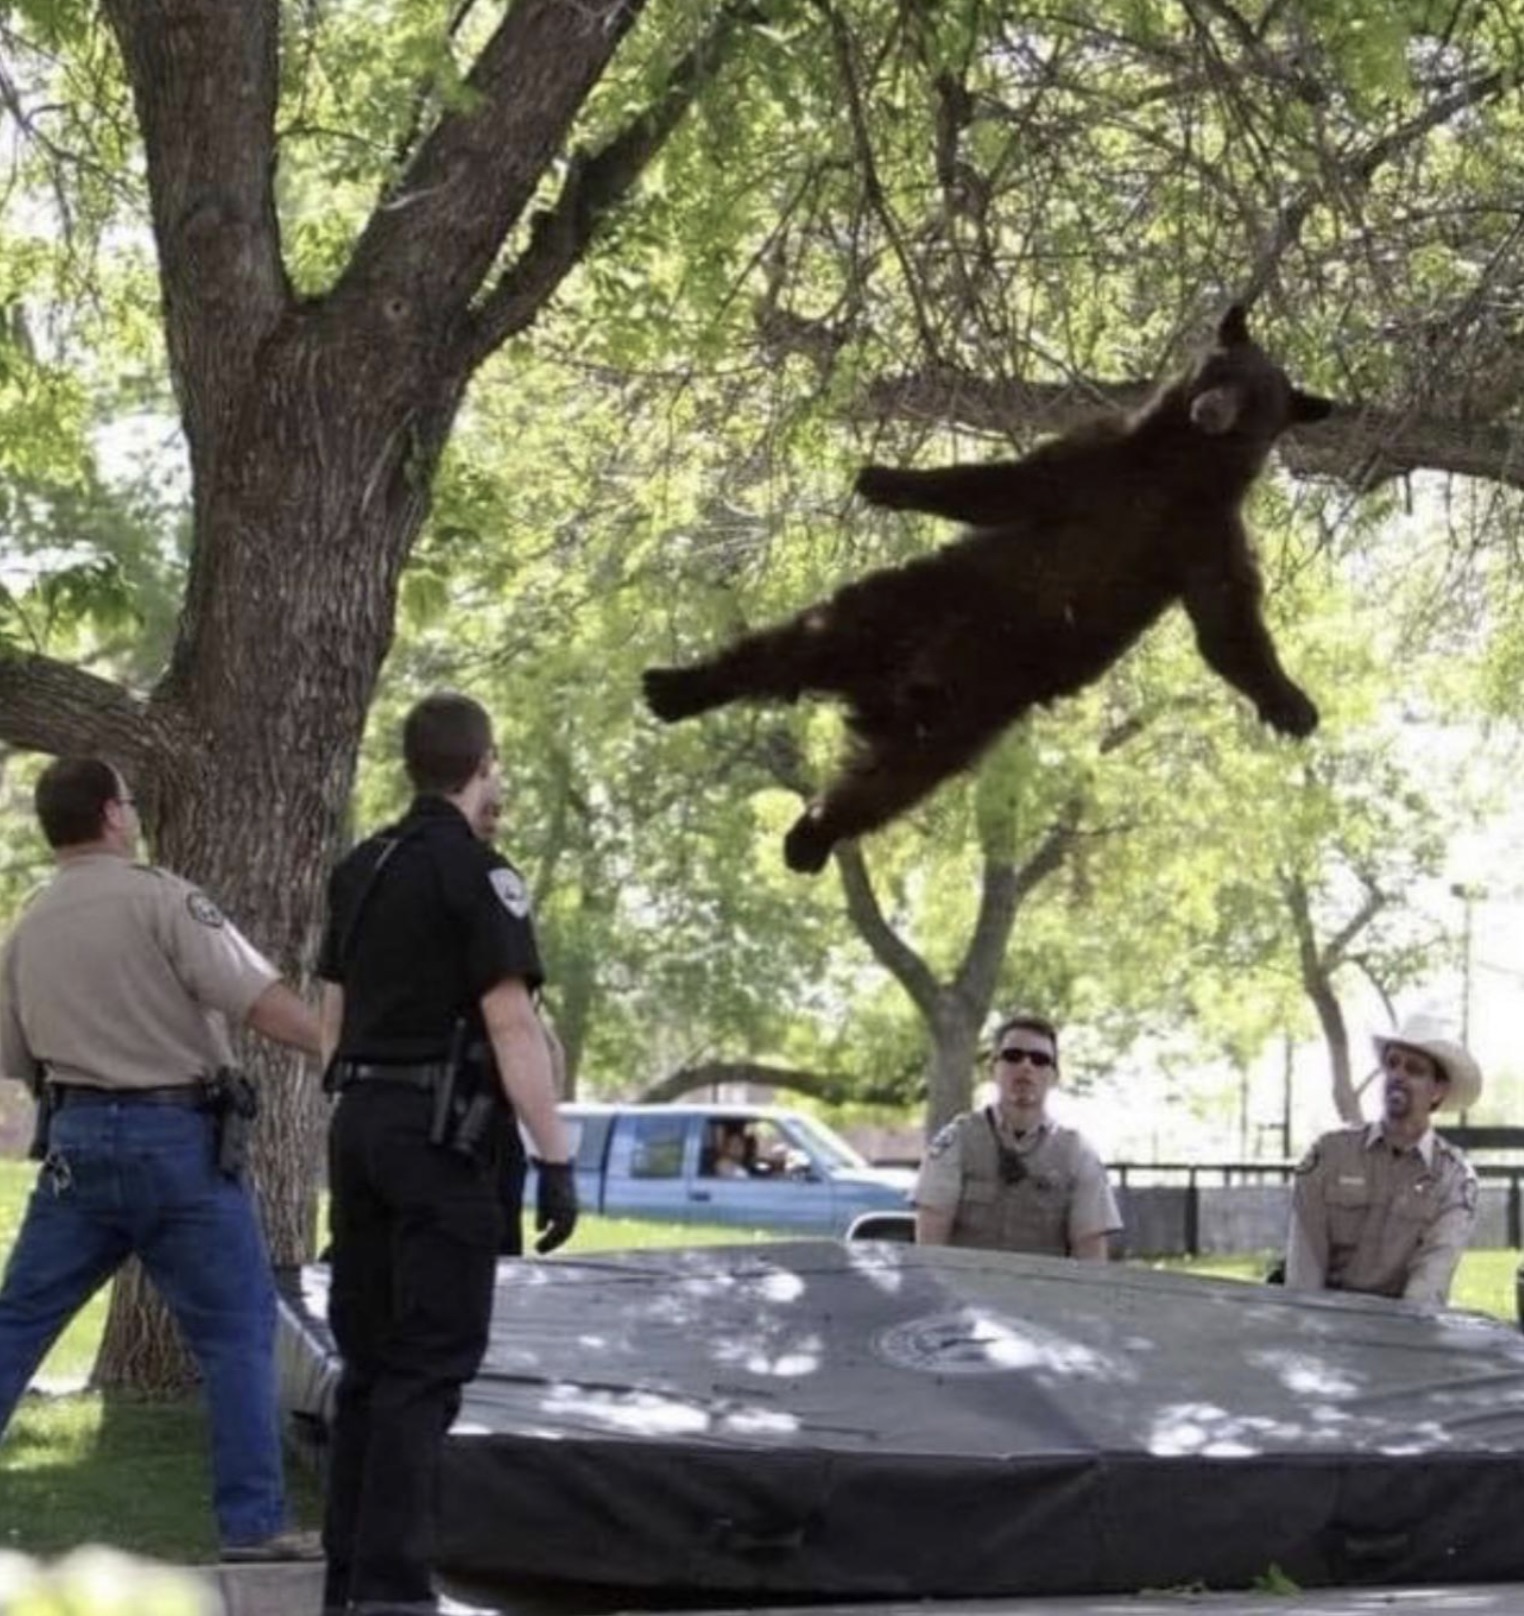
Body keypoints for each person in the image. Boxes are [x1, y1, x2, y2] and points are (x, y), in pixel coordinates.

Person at [0, 756, 323, 1562]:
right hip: (177, 1142)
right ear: (113, 815)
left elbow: (12, 1059)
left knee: (15, 1328)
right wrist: (337, 1046)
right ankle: (252, 1526)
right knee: (238, 1333)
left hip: (75, 1147)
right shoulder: (163, 898)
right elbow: (255, 998)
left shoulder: (27, 926)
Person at [316, 692, 578, 1616]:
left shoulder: (362, 868)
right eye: (496, 769)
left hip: (361, 1128)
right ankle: (393, 1595)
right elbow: (509, 1022)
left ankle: (348, 1585)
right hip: (443, 1142)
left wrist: (362, 1120)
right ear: (482, 765)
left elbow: (332, 1026)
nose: (498, 784)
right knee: (428, 1370)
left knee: (370, 1367)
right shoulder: (478, 875)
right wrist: (555, 1157)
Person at [1284, 1013, 1481, 1306]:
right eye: (1392, 1063)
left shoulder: (1454, 1180)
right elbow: (1304, 1275)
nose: (1398, 1075)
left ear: (1438, 1091)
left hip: (1402, 1339)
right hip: (1322, 1328)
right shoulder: (1328, 1155)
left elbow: (1427, 1291)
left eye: (1414, 1069)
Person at [913, 1011, 1122, 1258]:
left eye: (1040, 1059)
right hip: (966, 1294)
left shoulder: (1078, 1153)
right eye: (1013, 1056)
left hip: (1044, 1295)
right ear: (993, 1068)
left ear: (1054, 1076)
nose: (1026, 1066)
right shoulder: (957, 1141)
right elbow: (930, 1244)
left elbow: (1090, 1254)